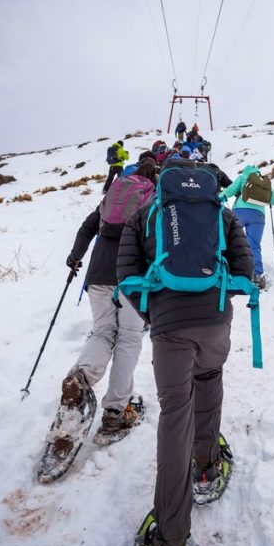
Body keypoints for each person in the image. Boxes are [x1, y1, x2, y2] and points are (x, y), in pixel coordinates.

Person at [117, 158, 254, 546]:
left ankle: (172, 542)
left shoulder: (144, 216)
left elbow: (126, 277)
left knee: (175, 416)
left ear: (162, 183)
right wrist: (215, 307)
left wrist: (156, 317)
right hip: (215, 321)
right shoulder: (219, 212)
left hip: (169, 328)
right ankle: (208, 466)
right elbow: (245, 268)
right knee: (209, 383)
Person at [58, 158, 157, 442]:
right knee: (128, 337)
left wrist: (75, 256)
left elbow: (87, 227)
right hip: (131, 277)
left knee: (102, 332)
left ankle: (81, 379)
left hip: (98, 273)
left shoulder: (113, 195)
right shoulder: (152, 197)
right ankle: (115, 413)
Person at [220, 165, 274, 289]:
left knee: (231, 241)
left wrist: (217, 198)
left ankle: (229, 272)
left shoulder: (243, 177)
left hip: (240, 212)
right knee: (254, 245)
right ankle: (257, 277)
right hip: (258, 216)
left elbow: (230, 191)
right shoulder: (263, 181)